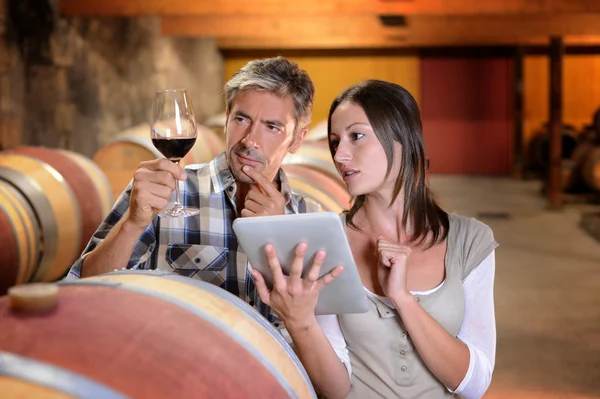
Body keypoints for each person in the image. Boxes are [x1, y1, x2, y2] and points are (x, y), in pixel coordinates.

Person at [250, 80, 498, 399]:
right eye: (335, 141)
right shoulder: (327, 238)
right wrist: (299, 323)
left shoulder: (470, 240)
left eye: (356, 136)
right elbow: (336, 389)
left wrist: (403, 299)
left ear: (402, 139)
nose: (340, 155)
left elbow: (475, 384)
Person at [65, 56, 336, 328]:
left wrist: (278, 237)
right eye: (242, 119)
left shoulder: (309, 216)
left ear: (297, 139)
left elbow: (317, 332)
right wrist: (132, 224)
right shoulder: (166, 189)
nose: (250, 140)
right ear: (227, 119)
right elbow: (83, 290)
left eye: (272, 127)